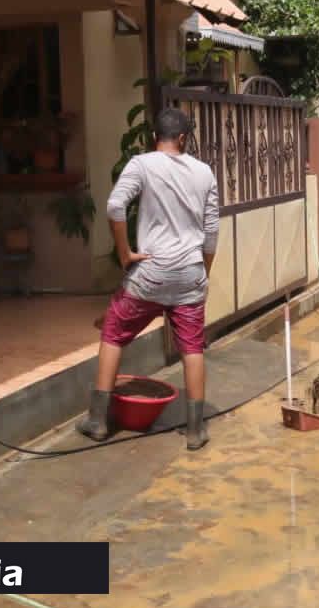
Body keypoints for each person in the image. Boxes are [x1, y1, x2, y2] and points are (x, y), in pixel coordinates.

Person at [77, 108, 219, 450]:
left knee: (113, 332)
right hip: (189, 274)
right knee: (192, 347)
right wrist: (202, 275)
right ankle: (196, 430)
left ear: (156, 135)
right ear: (183, 138)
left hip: (150, 273)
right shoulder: (204, 172)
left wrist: (125, 253)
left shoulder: (141, 164)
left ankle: (97, 420)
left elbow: (114, 207)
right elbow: (211, 232)